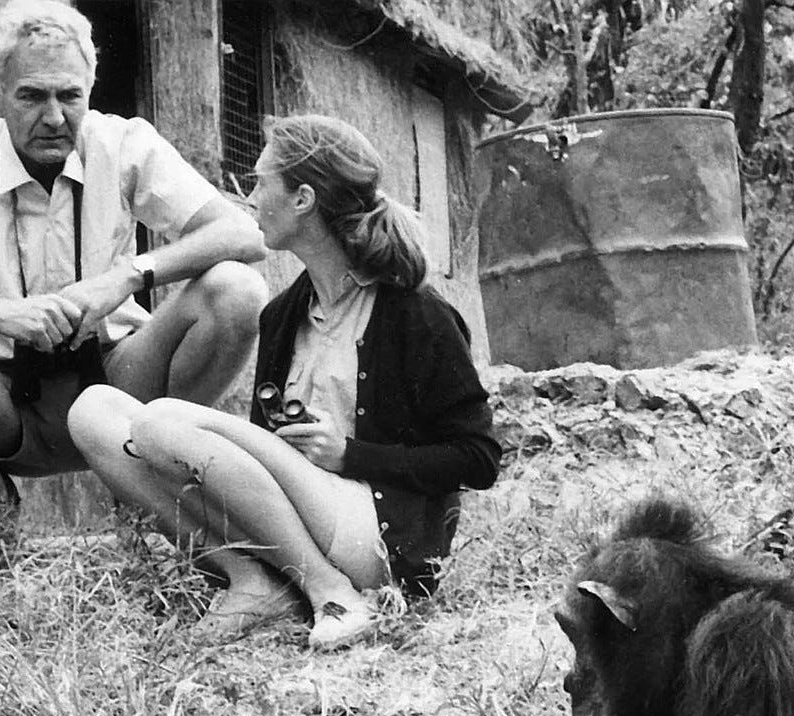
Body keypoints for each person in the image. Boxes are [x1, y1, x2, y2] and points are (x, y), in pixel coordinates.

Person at [0, 0, 268, 563]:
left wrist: (126, 276)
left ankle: (154, 470)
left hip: (118, 382)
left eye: (70, 96)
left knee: (236, 290)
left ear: (91, 91)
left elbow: (243, 234)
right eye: (31, 95)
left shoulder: (123, 142)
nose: (53, 117)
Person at [68, 114, 501, 651]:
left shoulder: (417, 315)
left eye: (259, 183)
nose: (248, 199)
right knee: (92, 410)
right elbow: (254, 466)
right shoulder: (283, 314)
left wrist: (352, 455)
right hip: (304, 521)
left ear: (302, 199)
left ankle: (332, 592)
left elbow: (479, 458)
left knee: (159, 419)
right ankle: (255, 580)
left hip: (380, 535)